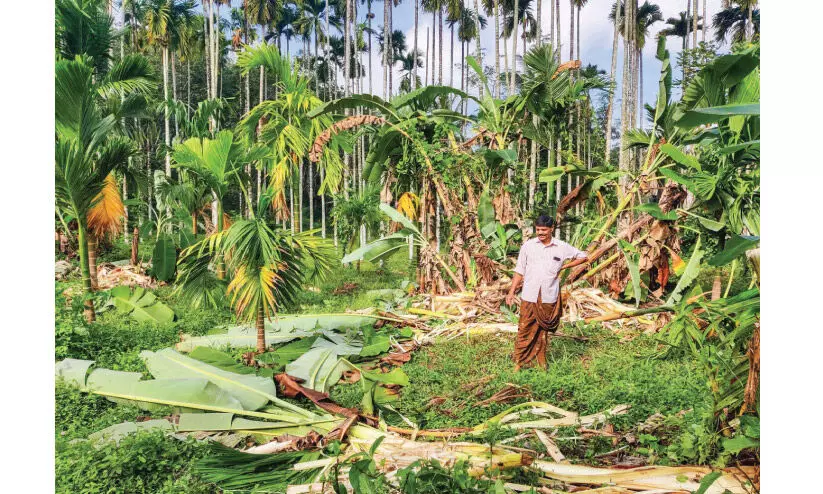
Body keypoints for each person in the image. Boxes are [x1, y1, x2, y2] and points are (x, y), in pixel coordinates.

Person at [505, 216, 590, 371]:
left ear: (552, 229)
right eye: (538, 229)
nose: (540, 233)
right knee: (524, 329)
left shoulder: (561, 247)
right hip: (529, 295)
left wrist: (565, 267)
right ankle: (519, 362)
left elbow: (583, 257)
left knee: (542, 331)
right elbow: (519, 271)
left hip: (548, 295)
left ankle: (540, 363)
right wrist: (511, 292)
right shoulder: (528, 246)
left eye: (544, 230)